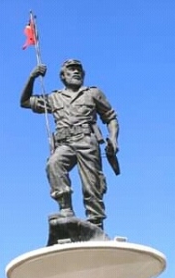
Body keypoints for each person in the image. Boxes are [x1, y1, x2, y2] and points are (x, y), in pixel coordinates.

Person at [20, 59, 119, 230]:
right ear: (63, 76)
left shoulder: (92, 93)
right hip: (65, 143)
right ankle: (65, 209)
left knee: (91, 184)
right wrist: (32, 77)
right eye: (71, 70)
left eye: (78, 70)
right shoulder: (54, 97)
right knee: (54, 164)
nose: (76, 72)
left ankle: (95, 222)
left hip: (87, 141)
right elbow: (25, 102)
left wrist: (113, 138)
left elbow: (110, 117)